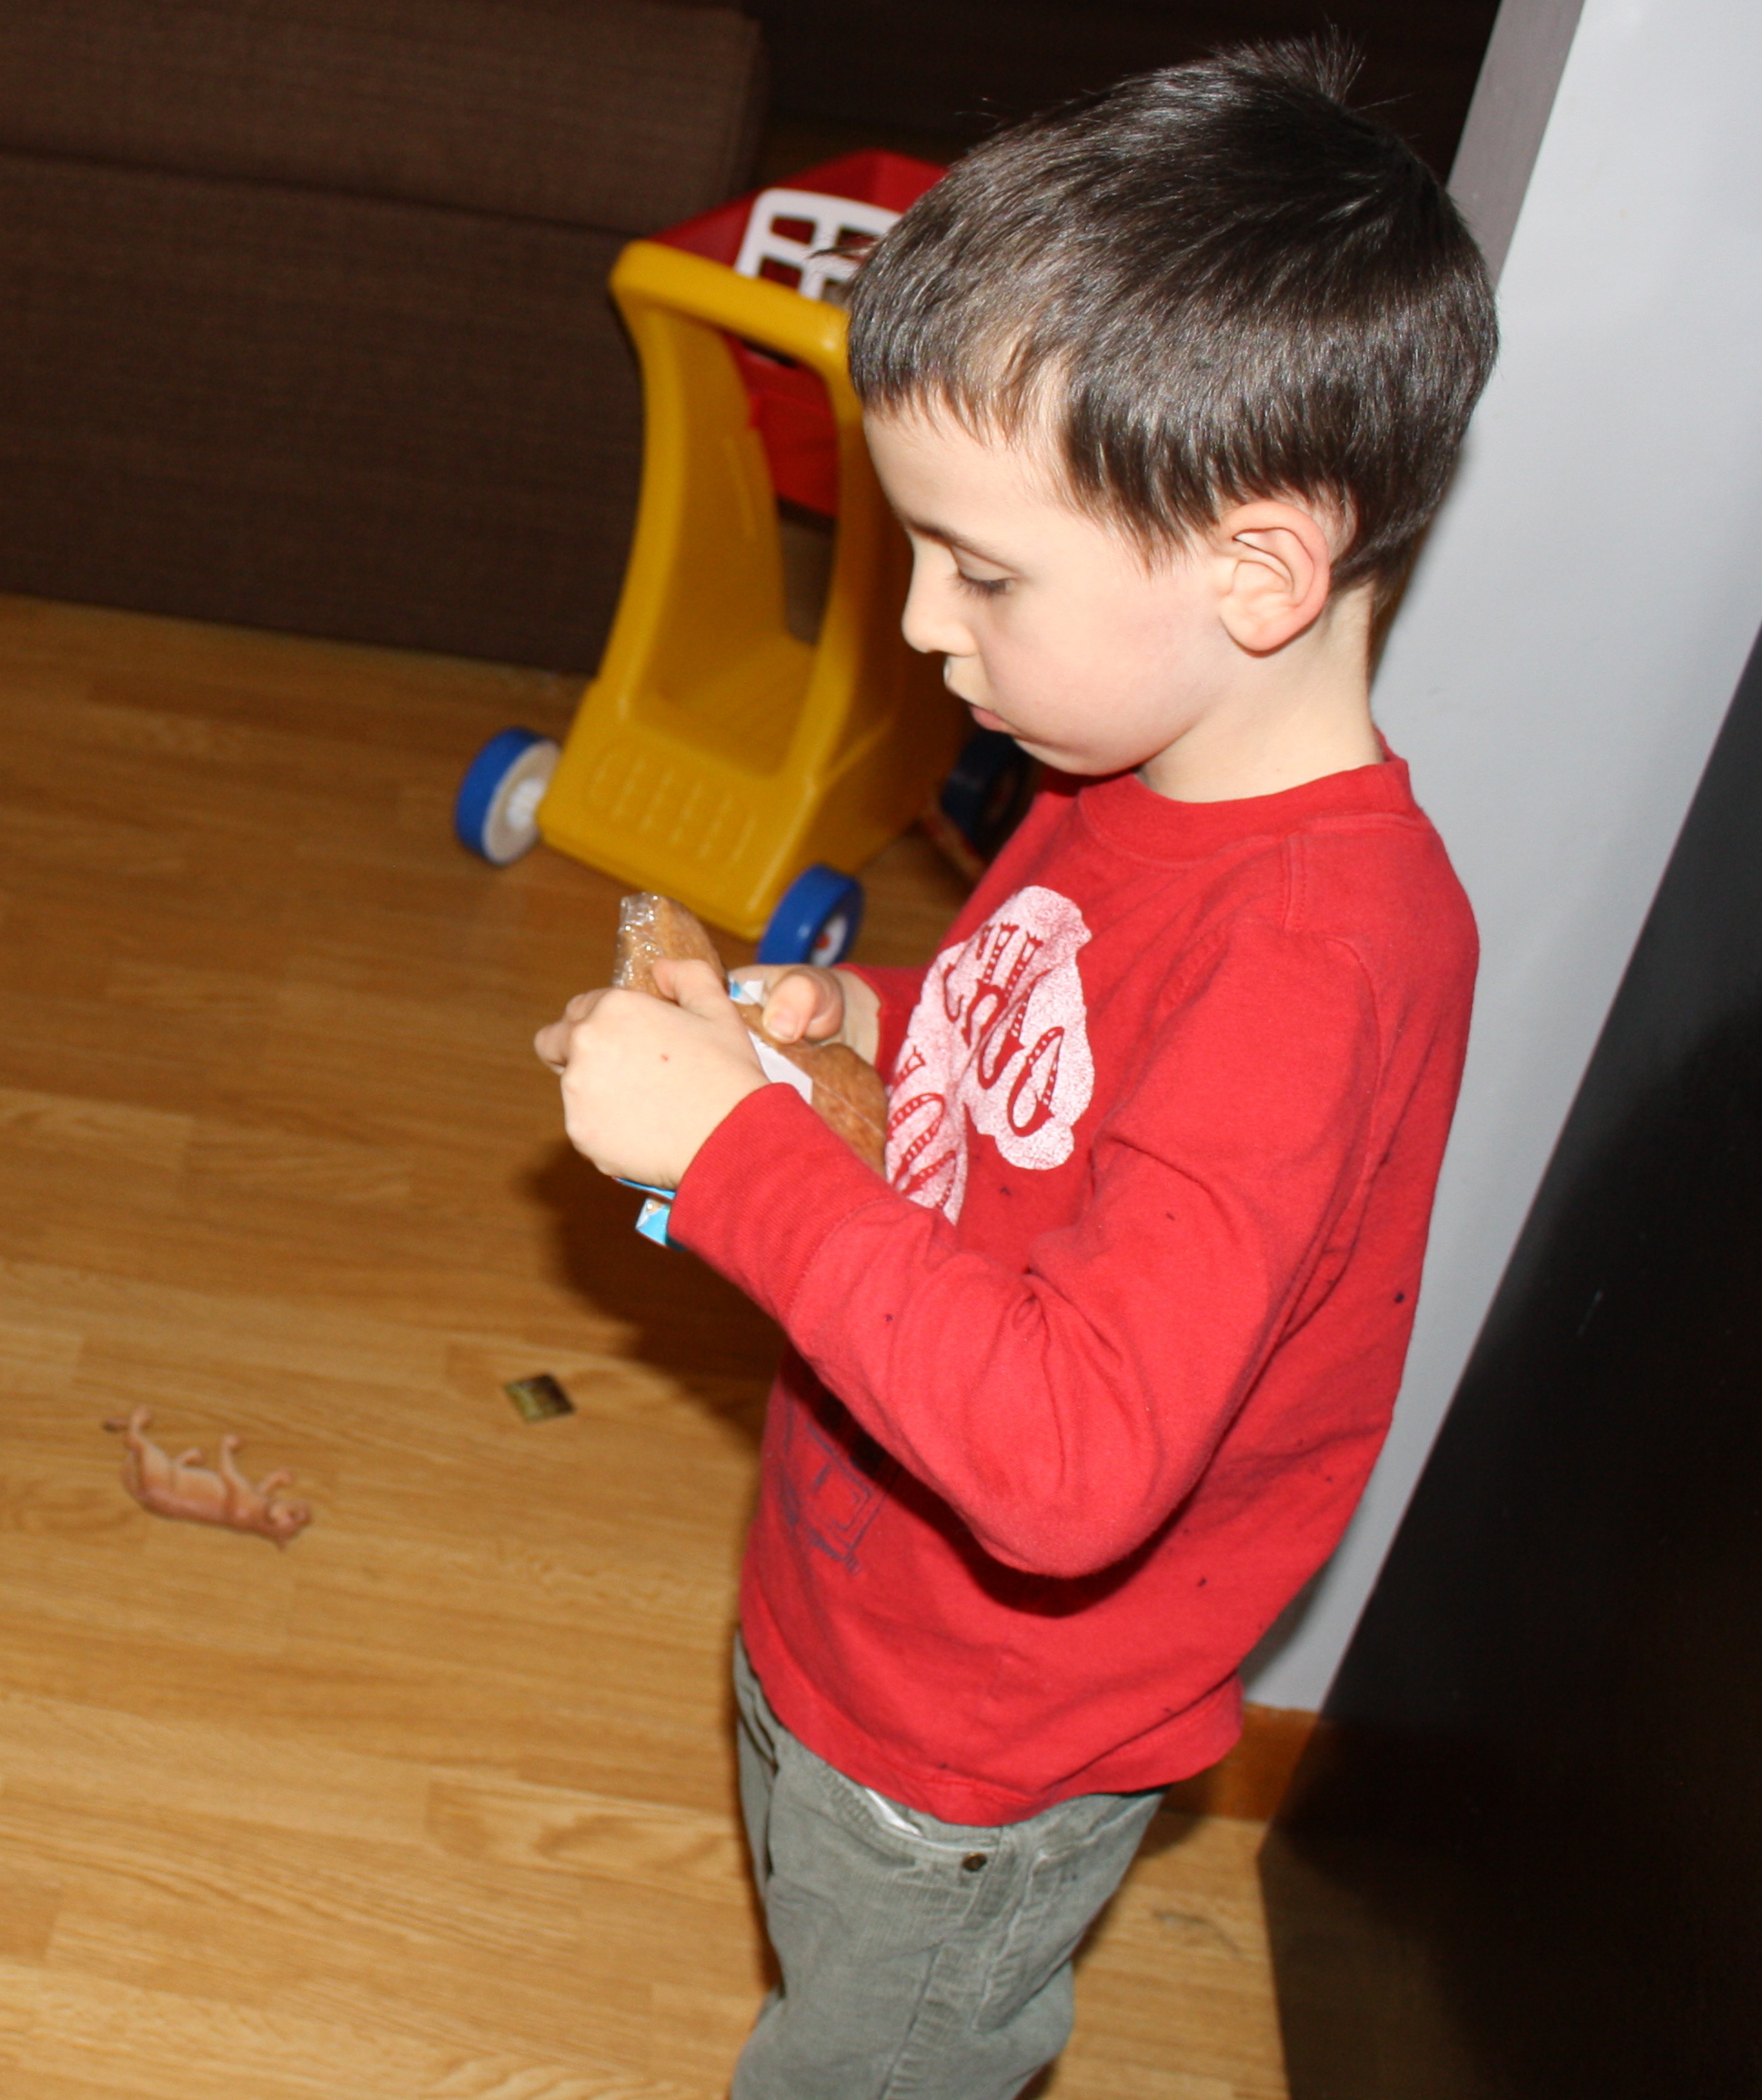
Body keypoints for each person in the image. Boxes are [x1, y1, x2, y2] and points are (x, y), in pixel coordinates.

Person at [533, 41, 1495, 2098]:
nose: (916, 624)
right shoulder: (1125, 764)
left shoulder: (1314, 967)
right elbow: (1059, 1031)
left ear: (1255, 571)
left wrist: (731, 1155)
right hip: (862, 1606)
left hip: (977, 1747)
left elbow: (1073, 1464)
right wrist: (867, 1022)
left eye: (980, 570)